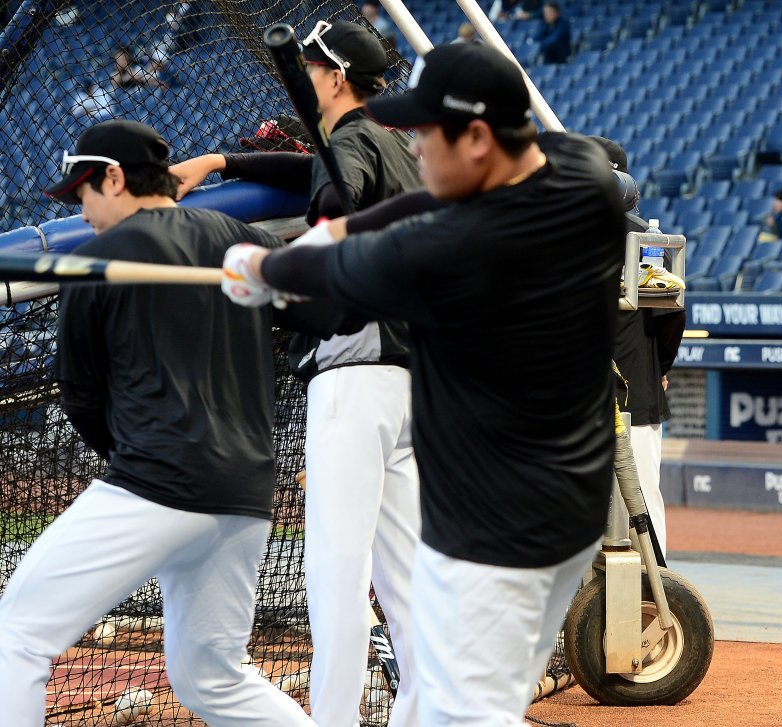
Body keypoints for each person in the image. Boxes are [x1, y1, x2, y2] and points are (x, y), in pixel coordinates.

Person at [219, 43, 625, 726]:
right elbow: (418, 203)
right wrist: (336, 232)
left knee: (465, 711)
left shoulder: (454, 249)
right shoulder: (583, 175)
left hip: (493, 528)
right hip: (567, 508)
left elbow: (313, 277)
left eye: (428, 132)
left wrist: (258, 267)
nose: (413, 147)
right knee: (441, 690)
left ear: (478, 138)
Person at [0, 120, 319, 725]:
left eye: (84, 193)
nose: (83, 212)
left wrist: (133, 460)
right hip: (245, 493)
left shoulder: (92, 261)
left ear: (114, 179)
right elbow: (323, 313)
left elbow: (81, 397)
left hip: (156, 482)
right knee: (213, 678)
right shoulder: (244, 241)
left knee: (15, 637)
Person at [172, 19, 424, 725]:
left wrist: (273, 270)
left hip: (356, 376)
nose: (306, 76)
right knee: (407, 584)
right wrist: (220, 161)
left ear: (335, 77)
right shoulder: (390, 145)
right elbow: (320, 171)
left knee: (336, 575)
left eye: (312, 67)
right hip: (411, 384)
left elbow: (335, 206)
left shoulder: (351, 146)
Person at [594, 136, 685, 557]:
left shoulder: (643, 238)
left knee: (638, 496)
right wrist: (658, 367)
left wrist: (656, 368)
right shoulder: (646, 237)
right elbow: (672, 317)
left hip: (626, 388)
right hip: (632, 383)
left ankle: (653, 585)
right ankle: (649, 584)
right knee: (639, 498)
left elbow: (670, 312)